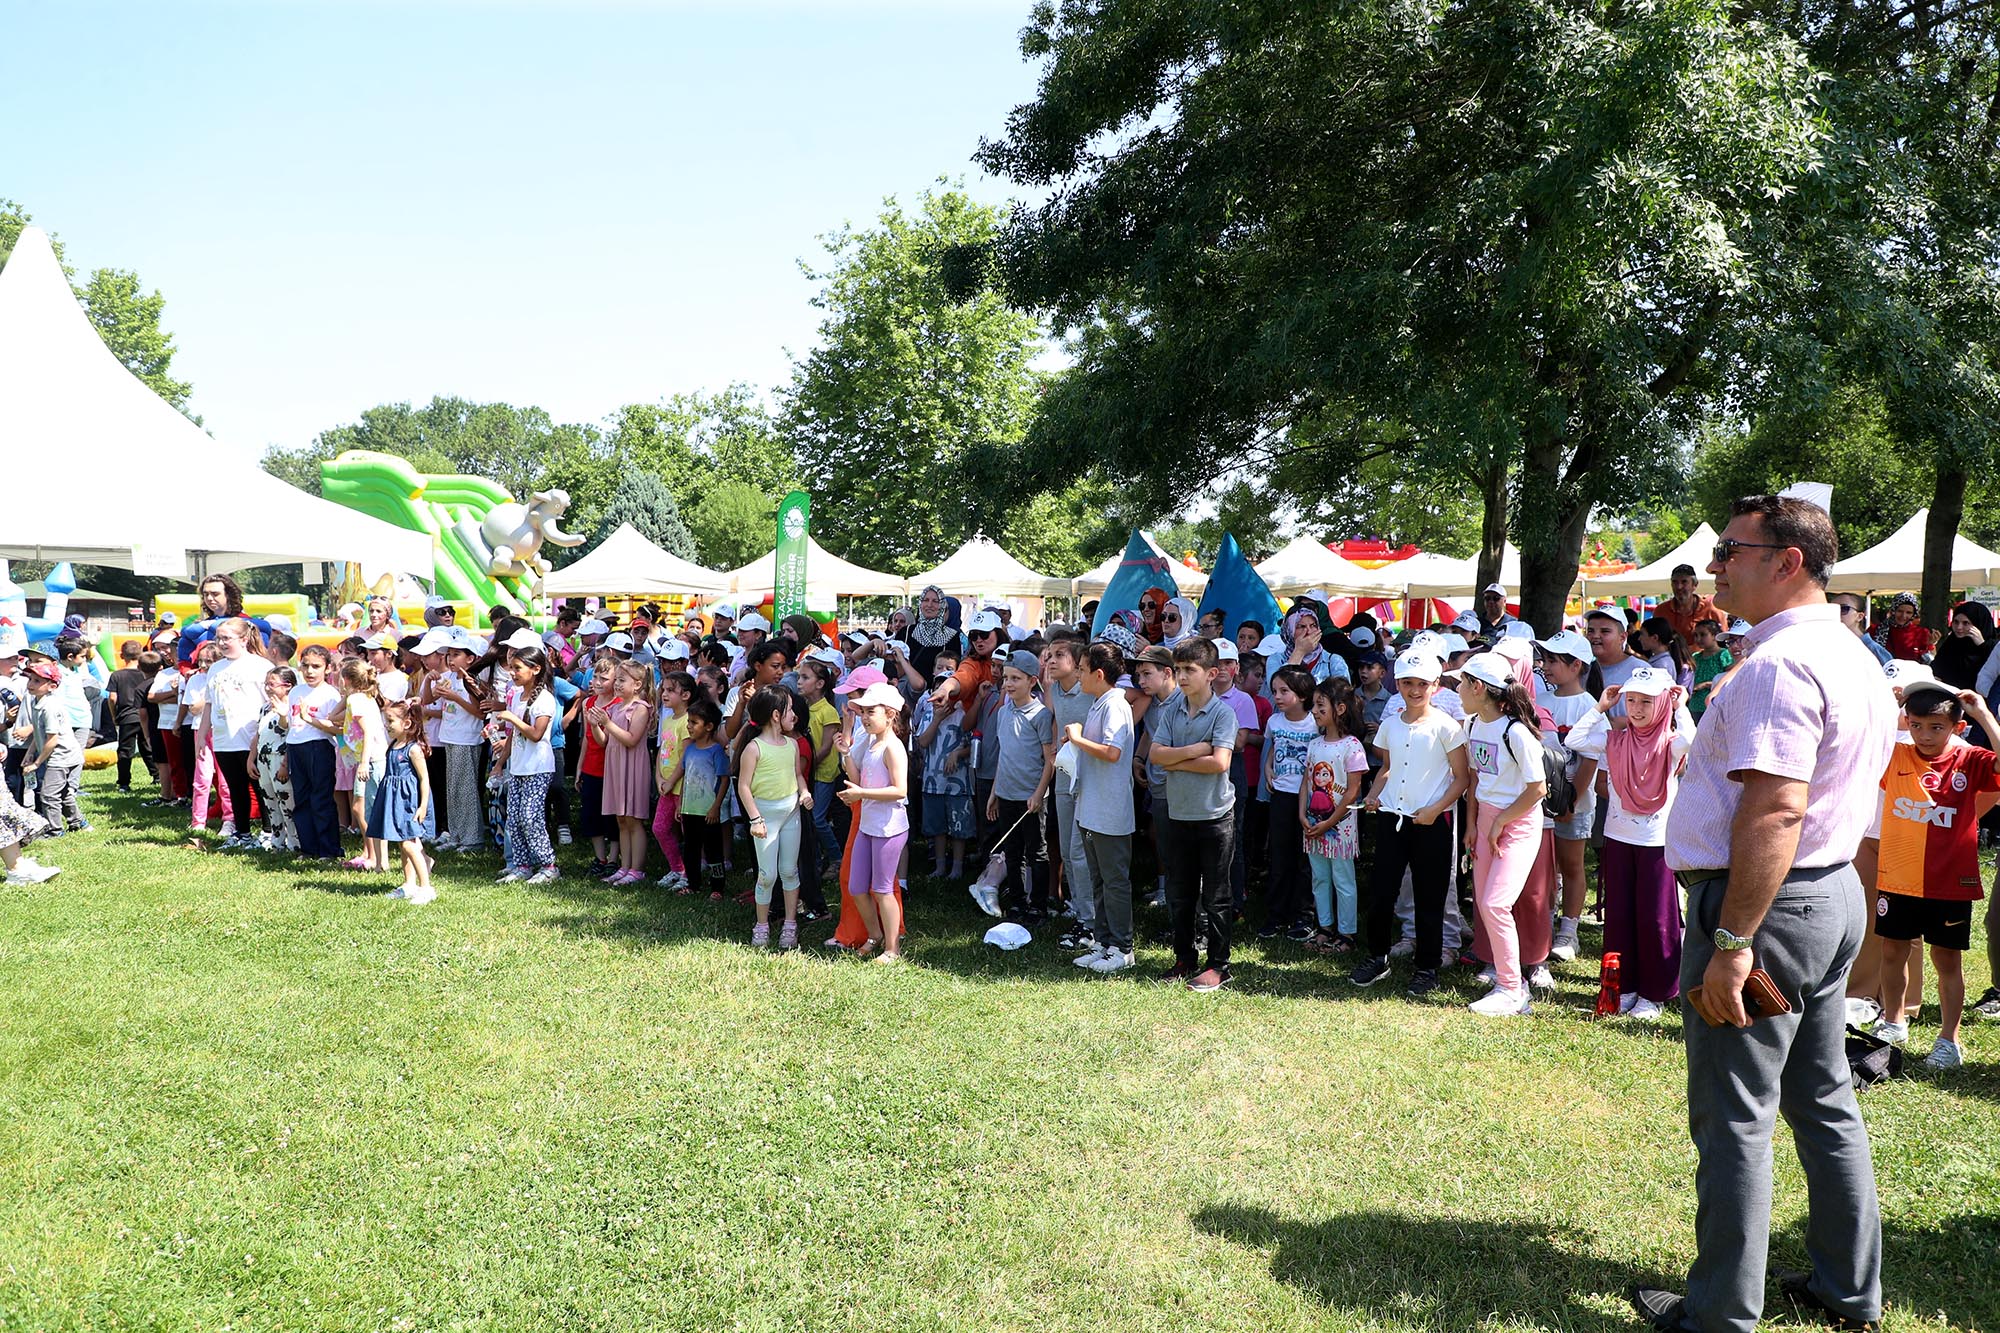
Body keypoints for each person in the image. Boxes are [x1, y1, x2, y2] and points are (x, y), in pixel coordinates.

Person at [1635, 494, 1896, 1333]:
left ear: (1787, 560)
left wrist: (1734, 940)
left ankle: (1717, 1315)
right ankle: (1847, 1289)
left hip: (1770, 905)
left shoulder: (1782, 663)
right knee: (1822, 1098)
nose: (1712, 569)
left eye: (1730, 551)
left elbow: (1777, 810)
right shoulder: (1851, 653)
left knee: (1735, 1115)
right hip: (1828, 894)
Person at [1854, 681, 1999, 1070]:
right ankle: (1893, 1021)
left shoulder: (1969, 760)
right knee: (1892, 950)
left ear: (1957, 727)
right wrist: (1888, 706)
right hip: (1898, 876)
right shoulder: (1895, 755)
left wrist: (1983, 713)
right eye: (1916, 725)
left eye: (1936, 727)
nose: (1925, 735)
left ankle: (1949, 1039)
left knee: (1946, 959)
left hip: (1949, 883)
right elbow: (1860, 739)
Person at [1567, 667, 1695, 1019]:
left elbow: (1692, 739)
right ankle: (1623, 986)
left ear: (1662, 703)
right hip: (1618, 837)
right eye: (1632, 700)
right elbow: (1574, 741)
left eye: (1646, 702)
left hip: (1656, 842)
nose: (1636, 709)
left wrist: (1680, 705)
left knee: (1656, 918)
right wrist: (1600, 706)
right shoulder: (1614, 740)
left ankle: (1655, 993)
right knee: (1620, 916)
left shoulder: (1670, 744)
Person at [1350, 650, 1469, 996]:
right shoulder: (1389, 724)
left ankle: (1427, 966)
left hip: (1431, 822)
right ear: (1398, 684)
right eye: (1407, 683)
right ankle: (1378, 957)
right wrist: (1374, 794)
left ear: (1435, 685)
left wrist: (1435, 809)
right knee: (1382, 893)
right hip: (1391, 819)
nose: (1414, 691)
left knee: (1429, 897)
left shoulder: (1447, 726)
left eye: (1421, 684)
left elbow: (1461, 779)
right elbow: (1387, 769)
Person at [1454, 652, 1549, 1017]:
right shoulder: (1473, 724)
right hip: (1486, 824)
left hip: (1519, 825)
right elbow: (1476, 779)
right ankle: (1507, 982)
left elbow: (1537, 790)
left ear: (1478, 688)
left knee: (1495, 903)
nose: (1458, 690)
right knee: (1486, 903)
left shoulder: (1518, 733)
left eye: (1462, 684)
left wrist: (1498, 823)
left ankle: (1512, 990)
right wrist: (1473, 824)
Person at [1148, 637, 1239, 992]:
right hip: (1177, 814)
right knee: (1180, 892)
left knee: (1216, 896)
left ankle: (1219, 965)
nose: (1182, 676)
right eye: (1179, 669)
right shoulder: (1172, 710)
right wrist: (1195, 749)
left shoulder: (1223, 714)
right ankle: (1184, 958)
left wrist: (1177, 757)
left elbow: (1220, 762)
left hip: (1215, 817)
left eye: (1190, 670)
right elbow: (1156, 754)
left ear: (1212, 673)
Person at [1066, 641, 1138, 973]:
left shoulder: (1116, 706)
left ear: (1098, 673)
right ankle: (1103, 941)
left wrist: (1078, 739)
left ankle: (1122, 948)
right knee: (1098, 879)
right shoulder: (1099, 702)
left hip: (1109, 810)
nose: (1077, 675)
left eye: (1081, 669)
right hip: (1091, 806)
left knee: (1114, 880)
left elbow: (1112, 752)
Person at [1536, 629, 1600, 963]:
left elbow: (1590, 757)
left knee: (1572, 864)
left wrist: (1572, 801)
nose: (1546, 666)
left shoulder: (1589, 706)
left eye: (1554, 660)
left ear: (1577, 666)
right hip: (1541, 802)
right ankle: (1544, 922)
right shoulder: (1541, 701)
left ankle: (1569, 930)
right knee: (1547, 866)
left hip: (1574, 803)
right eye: (1545, 659)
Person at [837, 680, 911, 962]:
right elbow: (854, 778)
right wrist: (845, 752)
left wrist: (860, 794)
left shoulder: (892, 747)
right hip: (869, 824)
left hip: (888, 829)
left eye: (871, 711)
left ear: (890, 714)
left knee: (882, 889)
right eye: (863, 711)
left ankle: (892, 949)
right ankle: (875, 935)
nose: (864, 717)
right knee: (857, 887)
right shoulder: (869, 742)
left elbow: (900, 790)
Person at [738, 686, 811, 950]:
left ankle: (790, 925)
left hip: (791, 814)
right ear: (777, 715)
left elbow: (798, 776)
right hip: (765, 820)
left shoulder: (792, 745)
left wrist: (803, 793)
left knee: (790, 871)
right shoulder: (754, 748)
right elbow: (744, 786)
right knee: (767, 875)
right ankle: (761, 926)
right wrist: (756, 819)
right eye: (791, 709)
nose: (796, 715)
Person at [986, 649, 1056, 924]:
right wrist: (994, 792)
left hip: (1031, 797)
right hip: (1006, 794)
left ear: (1032, 680)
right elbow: (1004, 755)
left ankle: (1038, 905)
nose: (1009, 684)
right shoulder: (1004, 713)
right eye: (1006, 678)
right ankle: (1017, 902)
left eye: (1016, 678)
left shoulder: (1040, 715)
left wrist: (1039, 793)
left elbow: (1049, 760)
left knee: (1036, 851)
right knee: (1012, 853)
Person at [1302, 678, 1369, 952]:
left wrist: (1330, 821)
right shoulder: (1315, 744)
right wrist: (1302, 816)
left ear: (1340, 709)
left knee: (1343, 879)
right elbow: (1305, 782)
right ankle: (1324, 927)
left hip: (1340, 828)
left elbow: (1353, 791)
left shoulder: (1352, 746)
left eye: (1320, 705)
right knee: (1319, 877)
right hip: (1313, 825)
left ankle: (1347, 933)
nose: (1314, 711)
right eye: (1314, 706)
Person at [1044, 640, 1097, 952]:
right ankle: (1080, 912)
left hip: (1088, 780)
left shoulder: (1090, 691)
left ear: (1078, 666)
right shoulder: (1054, 690)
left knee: (1080, 852)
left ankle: (1091, 924)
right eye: (1049, 655)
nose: (1050, 660)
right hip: (1063, 776)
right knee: (1066, 850)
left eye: (1059, 655)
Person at [493, 646, 561, 885]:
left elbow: (536, 734)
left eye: (517, 668)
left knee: (531, 817)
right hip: (518, 767)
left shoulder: (544, 699)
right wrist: (500, 764)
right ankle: (522, 865)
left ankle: (548, 865)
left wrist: (512, 718)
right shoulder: (518, 696)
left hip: (538, 768)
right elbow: (513, 737)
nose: (512, 673)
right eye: (512, 668)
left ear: (536, 669)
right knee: (514, 818)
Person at [1260, 665, 1319, 940]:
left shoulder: (1315, 723)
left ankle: (1304, 915)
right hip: (1281, 795)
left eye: (1285, 691)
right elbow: (1273, 748)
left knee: (1304, 858)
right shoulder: (1275, 722)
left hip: (1309, 798)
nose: (1278, 697)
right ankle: (1275, 914)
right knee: (1280, 855)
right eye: (1275, 691)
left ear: (1304, 694)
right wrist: (1269, 767)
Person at [207, 619, 273, 852]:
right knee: (235, 787)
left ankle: (268, 833)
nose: (221, 643)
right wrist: (201, 741)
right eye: (219, 638)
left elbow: (271, 704)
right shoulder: (215, 668)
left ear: (244, 639)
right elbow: (209, 706)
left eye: (227, 638)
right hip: (225, 740)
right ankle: (242, 833)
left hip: (253, 739)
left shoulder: (260, 666)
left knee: (260, 787)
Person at [912, 646, 974, 880]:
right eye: (938, 683)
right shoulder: (928, 707)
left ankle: (957, 867)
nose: (942, 690)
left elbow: (974, 743)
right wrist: (937, 719)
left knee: (959, 825)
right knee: (936, 825)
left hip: (958, 780)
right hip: (932, 779)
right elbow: (923, 742)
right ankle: (939, 866)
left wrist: (957, 754)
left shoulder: (963, 709)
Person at [367, 700, 436, 902]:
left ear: (406, 723)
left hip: (408, 803)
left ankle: (426, 887)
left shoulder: (413, 750)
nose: (387, 725)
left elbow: (424, 778)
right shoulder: (393, 746)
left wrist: (423, 806)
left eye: (390, 721)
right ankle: (409, 884)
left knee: (409, 844)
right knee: (401, 843)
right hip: (394, 802)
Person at [594, 661, 654, 886]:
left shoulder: (640, 708)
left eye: (622, 680)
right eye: (616, 679)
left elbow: (631, 739)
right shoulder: (615, 707)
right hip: (616, 765)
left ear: (637, 684)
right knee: (621, 818)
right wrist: (594, 725)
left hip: (632, 766)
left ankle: (636, 869)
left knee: (633, 819)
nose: (617, 684)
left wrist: (607, 723)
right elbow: (604, 742)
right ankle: (625, 866)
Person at [284, 645, 343, 862]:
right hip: (296, 746)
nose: (310, 671)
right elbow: (291, 725)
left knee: (321, 799)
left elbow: (337, 726)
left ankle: (329, 849)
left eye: (316, 666)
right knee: (301, 799)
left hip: (318, 746)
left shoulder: (330, 694)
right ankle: (308, 848)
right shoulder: (296, 691)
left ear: (327, 668)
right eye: (306, 665)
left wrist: (312, 720)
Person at [333, 659, 389, 871]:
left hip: (371, 760)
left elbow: (368, 732)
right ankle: (374, 857)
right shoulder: (358, 698)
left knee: (370, 810)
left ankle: (378, 859)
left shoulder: (357, 699)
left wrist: (364, 763)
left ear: (346, 679)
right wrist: (346, 695)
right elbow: (333, 717)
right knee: (361, 808)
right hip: (365, 760)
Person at [17, 661, 84, 833]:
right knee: (64, 793)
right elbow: (40, 733)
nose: (30, 684)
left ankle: (54, 830)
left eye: (37, 681)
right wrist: (30, 753)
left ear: (52, 686)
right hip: (61, 754)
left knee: (48, 794)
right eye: (30, 679)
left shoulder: (50, 707)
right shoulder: (37, 702)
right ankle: (78, 822)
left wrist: (37, 763)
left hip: (62, 757)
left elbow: (52, 740)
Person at [675, 697, 729, 898]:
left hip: (708, 812)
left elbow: (724, 780)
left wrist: (715, 807)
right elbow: (686, 777)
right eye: (689, 721)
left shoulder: (716, 752)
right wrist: (680, 803)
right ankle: (693, 883)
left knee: (714, 851)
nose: (689, 726)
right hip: (690, 810)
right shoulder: (689, 749)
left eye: (693, 722)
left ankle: (717, 887)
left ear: (709, 726)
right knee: (691, 849)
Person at [253, 667, 298, 853]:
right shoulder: (265, 707)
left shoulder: (291, 707)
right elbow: (258, 734)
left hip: (280, 758)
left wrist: (284, 764)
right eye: (266, 684)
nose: (267, 688)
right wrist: (251, 758)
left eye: (271, 684)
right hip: (263, 757)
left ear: (287, 686)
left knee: (287, 802)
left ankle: (295, 842)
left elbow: (289, 732)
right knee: (270, 800)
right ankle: (277, 840)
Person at [1655, 564, 1721, 643]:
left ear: (1695, 585)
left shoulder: (1711, 610)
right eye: (1675, 582)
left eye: (1684, 582)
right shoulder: (1661, 611)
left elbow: (1722, 641)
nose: (1679, 587)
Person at [1686, 618, 1732, 723]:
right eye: (1696, 635)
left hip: (1714, 705)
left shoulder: (1723, 654)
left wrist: (1706, 684)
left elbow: (1730, 679)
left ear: (1715, 635)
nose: (1698, 639)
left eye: (1703, 635)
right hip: (1695, 705)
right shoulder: (1696, 657)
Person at [1834, 593, 1892, 668]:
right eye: (1832, 609)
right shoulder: (1831, 646)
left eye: (1843, 609)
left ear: (1860, 616)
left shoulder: (1875, 651)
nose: (1835, 613)